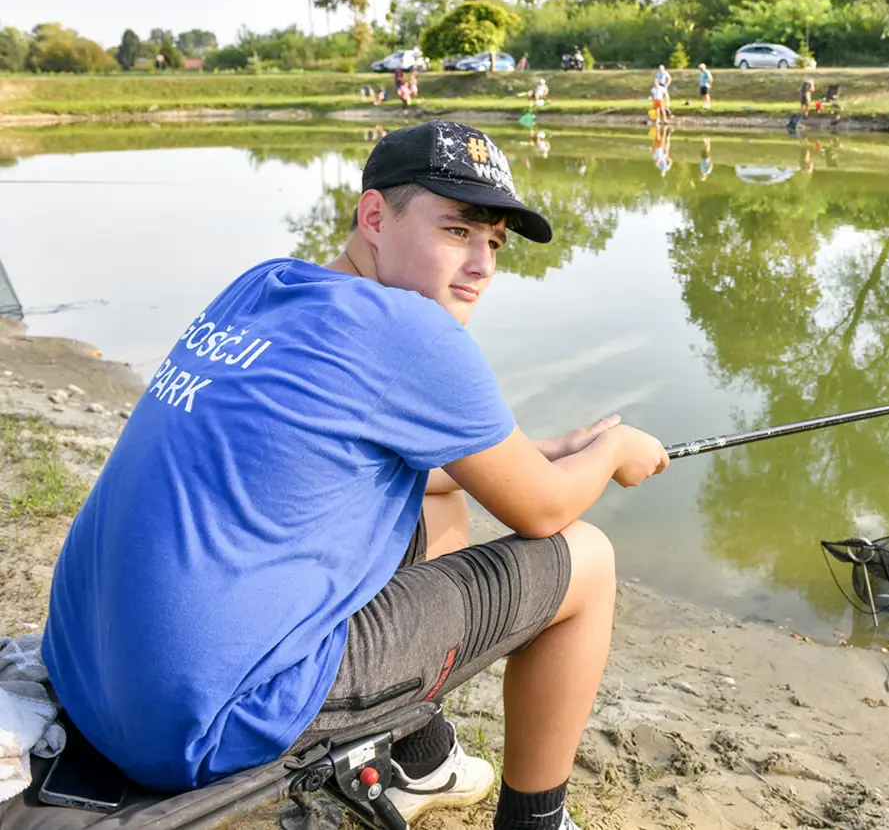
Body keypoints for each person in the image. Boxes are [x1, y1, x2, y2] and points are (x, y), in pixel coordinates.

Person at [41, 119, 671, 830]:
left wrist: (539, 451)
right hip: (199, 722)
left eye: (494, 242)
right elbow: (545, 512)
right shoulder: (413, 332)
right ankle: (538, 822)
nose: (483, 263)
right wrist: (616, 452)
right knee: (587, 561)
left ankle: (425, 760)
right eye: (458, 229)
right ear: (375, 216)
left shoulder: (266, 287)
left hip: (90, 685)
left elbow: (380, 462)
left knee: (439, 514)